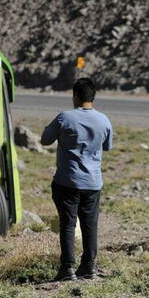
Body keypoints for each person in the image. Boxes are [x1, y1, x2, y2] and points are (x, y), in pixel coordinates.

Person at [41, 78, 113, 281]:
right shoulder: (104, 120)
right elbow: (106, 146)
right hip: (93, 182)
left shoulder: (65, 117)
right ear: (93, 96)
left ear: (75, 96)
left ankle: (67, 267)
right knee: (90, 225)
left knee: (68, 224)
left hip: (68, 181)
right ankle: (89, 266)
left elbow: (45, 139)